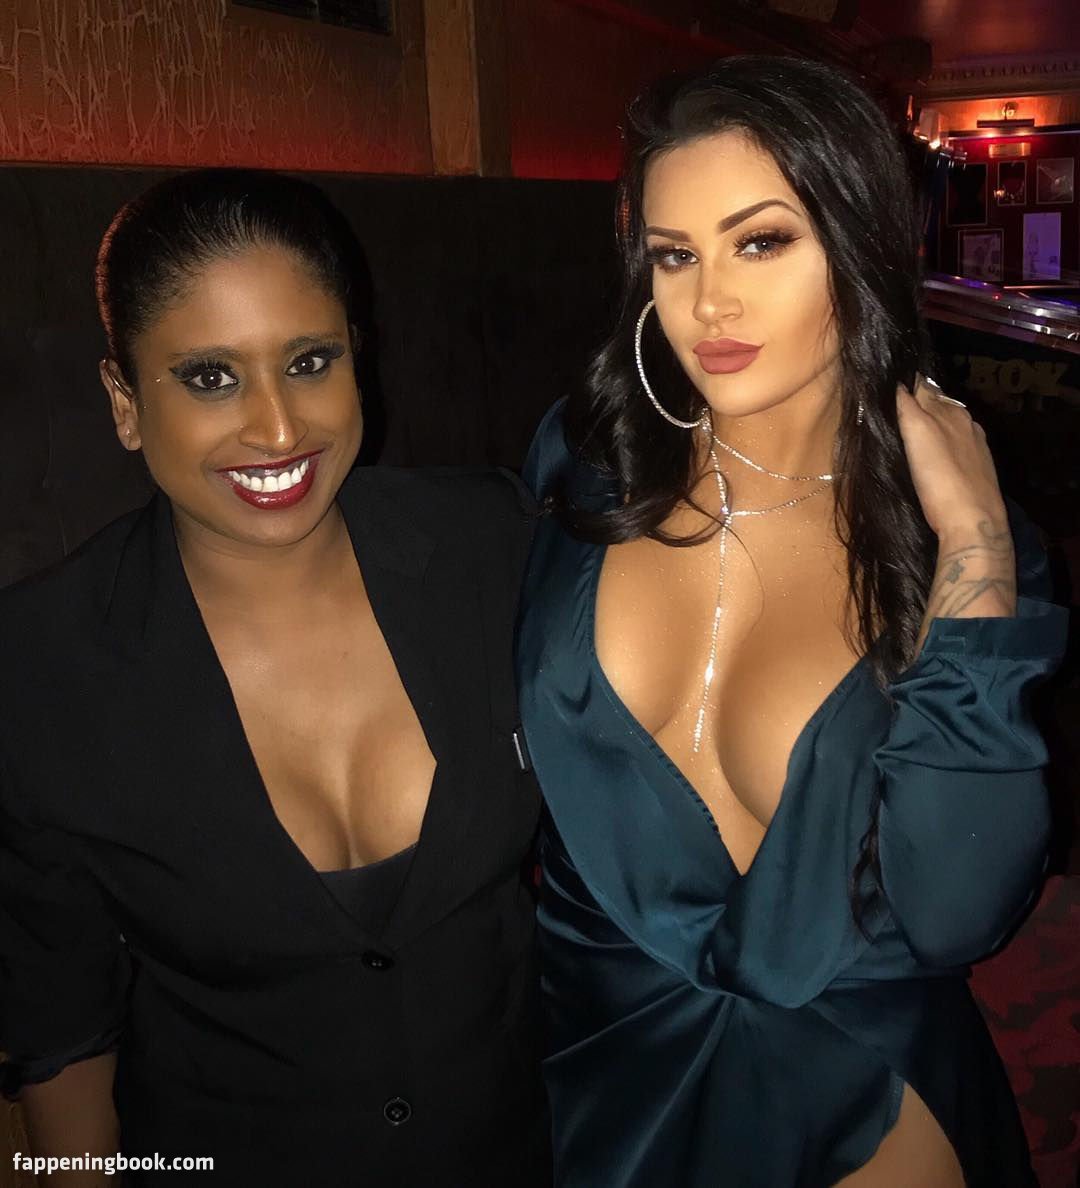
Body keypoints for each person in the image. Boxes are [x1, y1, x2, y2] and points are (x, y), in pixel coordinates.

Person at [514, 57, 1067, 1187]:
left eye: (761, 243)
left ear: (861, 247)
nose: (708, 303)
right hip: (592, 1066)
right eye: (675, 254)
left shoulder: (959, 549)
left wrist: (976, 549)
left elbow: (958, 915)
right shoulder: (582, 466)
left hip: (860, 1108)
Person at [0, 169, 549, 1186]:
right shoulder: (41, 668)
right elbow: (61, 1033)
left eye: (308, 361)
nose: (280, 428)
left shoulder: (492, 547)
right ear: (125, 402)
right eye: (210, 377)